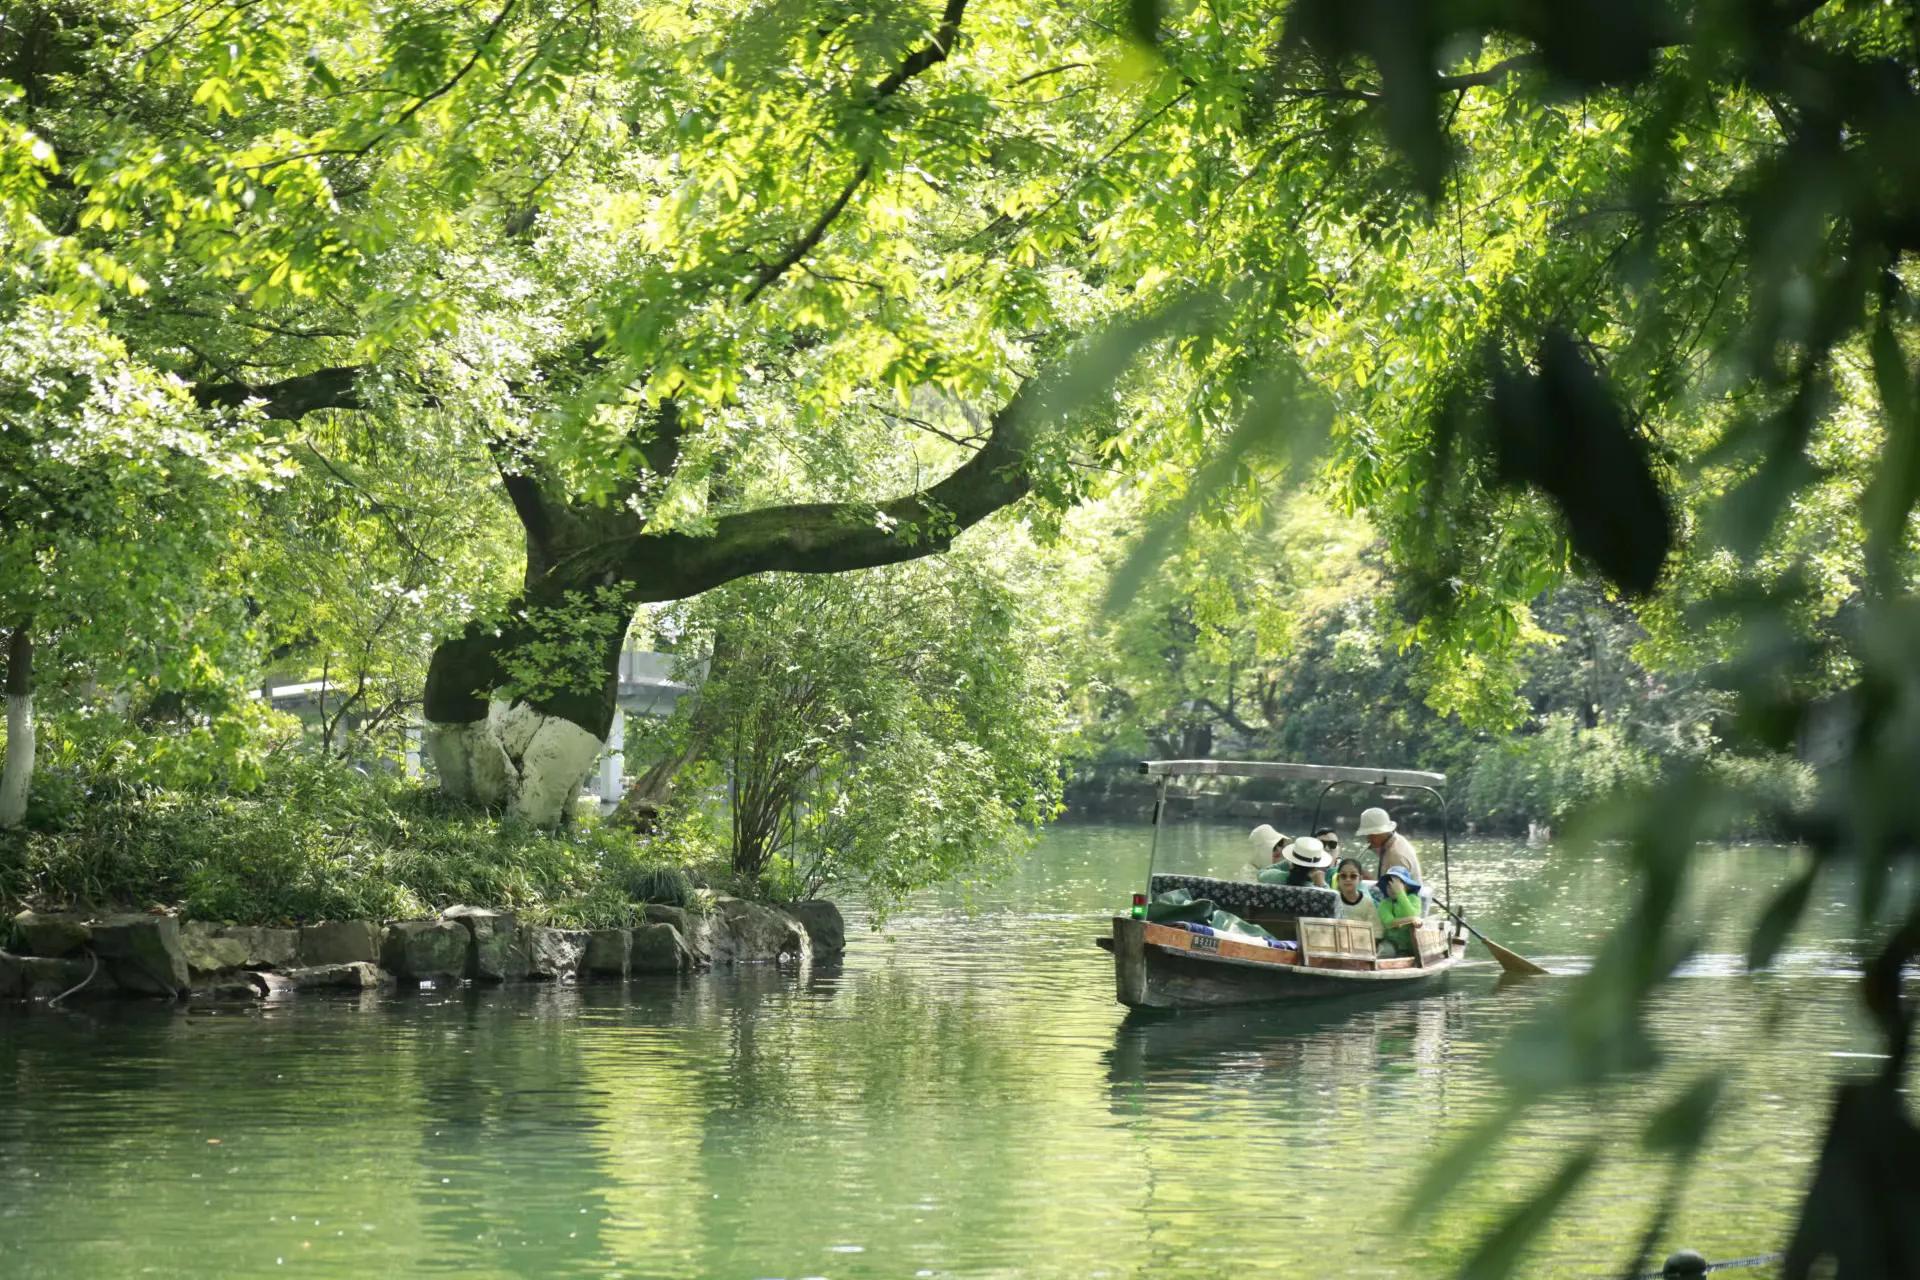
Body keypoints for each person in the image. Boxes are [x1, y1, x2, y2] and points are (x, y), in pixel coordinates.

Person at [1356, 807, 1423, 886]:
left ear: (1381, 832)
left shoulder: (1396, 856)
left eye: (1371, 835)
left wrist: (1370, 880)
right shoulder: (1396, 840)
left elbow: (1394, 892)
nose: (1368, 840)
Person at [1372, 867, 1425, 957]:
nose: (1393, 888)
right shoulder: (1385, 903)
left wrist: (1400, 893)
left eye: (1397, 885)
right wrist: (1411, 919)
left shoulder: (1414, 899)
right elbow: (1389, 922)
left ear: (1407, 886)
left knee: (1419, 953)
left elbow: (1412, 914)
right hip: (1391, 943)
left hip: (1412, 944)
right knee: (1385, 952)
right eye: (1389, 885)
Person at [1330, 856, 1380, 939]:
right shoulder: (1333, 900)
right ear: (1338, 879)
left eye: (1353, 876)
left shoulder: (1367, 903)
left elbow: (1377, 931)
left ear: (1360, 879)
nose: (1348, 879)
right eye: (1343, 876)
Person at [1259, 835, 1331, 887]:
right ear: (1315, 868)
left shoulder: (1274, 877)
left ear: (1292, 863)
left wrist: (1285, 864)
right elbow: (1333, 900)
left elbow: (1261, 873)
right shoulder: (1318, 891)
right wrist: (1323, 884)